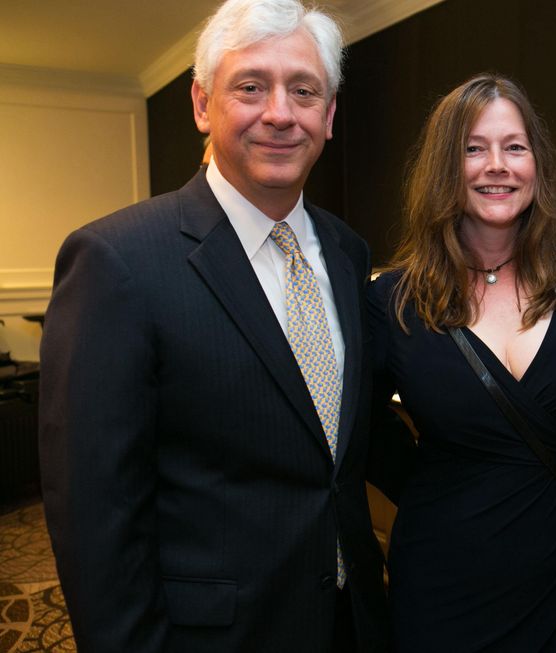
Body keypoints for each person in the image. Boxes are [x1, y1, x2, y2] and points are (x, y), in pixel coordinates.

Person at [39, 0, 390, 650]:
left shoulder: (348, 255)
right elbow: (97, 516)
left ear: (330, 114)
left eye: (304, 90)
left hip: (355, 625)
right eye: (251, 86)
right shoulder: (119, 261)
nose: (280, 112)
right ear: (203, 104)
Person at [367, 73, 556, 651]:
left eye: (515, 147)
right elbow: (365, 425)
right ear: (443, 170)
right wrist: (444, 486)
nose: (496, 166)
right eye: (473, 149)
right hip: (443, 577)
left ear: (538, 164)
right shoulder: (393, 299)